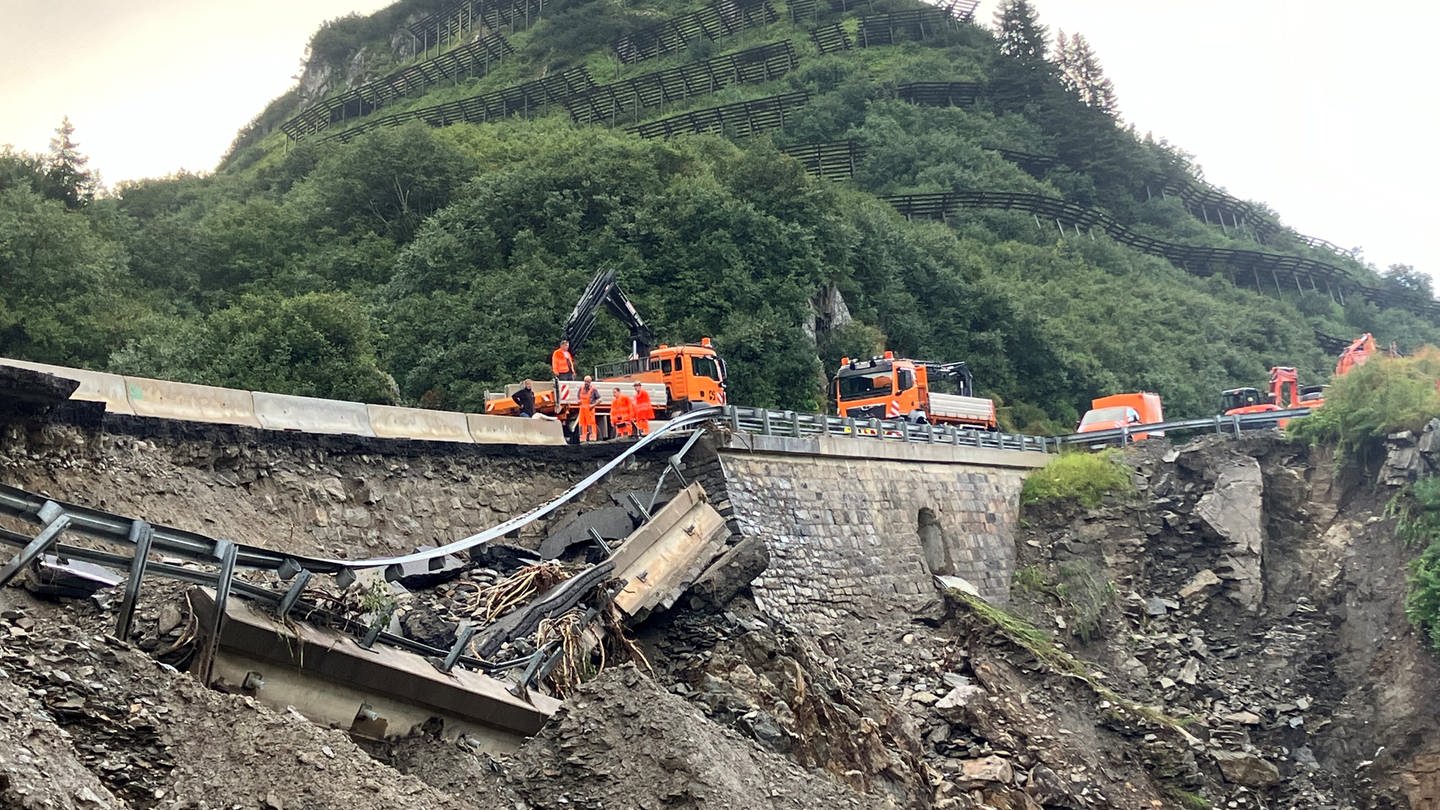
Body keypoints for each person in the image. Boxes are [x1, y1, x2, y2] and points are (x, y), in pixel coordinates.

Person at [576, 375, 599, 442]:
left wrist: (593, 405)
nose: (586, 383)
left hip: (589, 409)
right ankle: (582, 438)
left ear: (590, 382)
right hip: (582, 409)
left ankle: (592, 437)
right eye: (585, 381)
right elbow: (578, 397)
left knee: (590, 423)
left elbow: (599, 399)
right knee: (581, 424)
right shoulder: (581, 388)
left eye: (588, 382)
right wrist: (578, 401)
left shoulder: (593, 389)